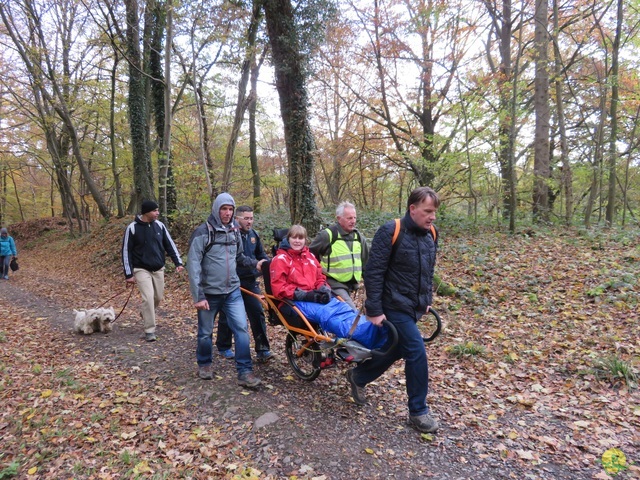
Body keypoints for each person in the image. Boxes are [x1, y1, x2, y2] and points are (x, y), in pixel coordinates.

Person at [346, 187, 441, 434]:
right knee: (416, 351)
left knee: (398, 347)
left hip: (413, 307)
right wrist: (374, 309)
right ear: (413, 208)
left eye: (434, 212)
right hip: (392, 305)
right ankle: (418, 412)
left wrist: (426, 299)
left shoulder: (431, 233)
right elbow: (374, 272)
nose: (432, 217)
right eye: (428, 211)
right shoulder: (391, 230)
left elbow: (428, 271)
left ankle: (359, 377)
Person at [186, 193, 265, 387]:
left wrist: (257, 264)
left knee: (241, 330)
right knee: (205, 333)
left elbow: (240, 257)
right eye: (224, 209)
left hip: (232, 291)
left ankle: (245, 372)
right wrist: (198, 295)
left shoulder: (235, 231)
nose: (227, 213)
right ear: (216, 209)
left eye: (230, 209)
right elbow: (193, 266)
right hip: (209, 293)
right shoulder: (203, 233)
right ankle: (204, 364)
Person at [270, 225, 386, 349]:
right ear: (288, 239)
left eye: (301, 238)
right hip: (295, 300)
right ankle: (361, 335)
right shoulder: (280, 260)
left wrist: (323, 288)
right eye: (294, 238)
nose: (297, 241)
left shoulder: (309, 257)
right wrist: (306, 295)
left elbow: (320, 277)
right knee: (328, 314)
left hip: (313, 296)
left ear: (305, 240)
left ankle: (373, 330)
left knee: (343, 308)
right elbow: (279, 288)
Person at [215, 206, 273, 363]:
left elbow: (260, 254)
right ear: (237, 218)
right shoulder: (230, 234)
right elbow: (233, 258)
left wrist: (267, 264)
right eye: (246, 218)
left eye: (251, 218)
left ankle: (263, 349)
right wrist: (255, 264)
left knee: (257, 311)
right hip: (232, 280)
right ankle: (223, 346)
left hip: (250, 281)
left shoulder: (254, 235)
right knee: (227, 315)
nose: (249, 221)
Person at [122, 200, 184, 342]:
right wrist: (129, 274)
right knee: (148, 298)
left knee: (158, 298)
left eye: (157, 210)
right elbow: (126, 251)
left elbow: (170, 245)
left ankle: (146, 311)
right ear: (146, 212)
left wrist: (178, 262)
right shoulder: (132, 228)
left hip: (158, 268)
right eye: (155, 210)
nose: (158, 213)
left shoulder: (160, 226)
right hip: (141, 269)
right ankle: (150, 330)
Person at [309, 201, 368, 308]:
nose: (353, 221)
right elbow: (309, 257)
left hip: (351, 285)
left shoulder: (358, 237)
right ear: (339, 218)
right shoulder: (327, 235)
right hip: (333, 285)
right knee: (352, 314)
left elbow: (366, 264)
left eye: (354, 218)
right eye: (349, 218)